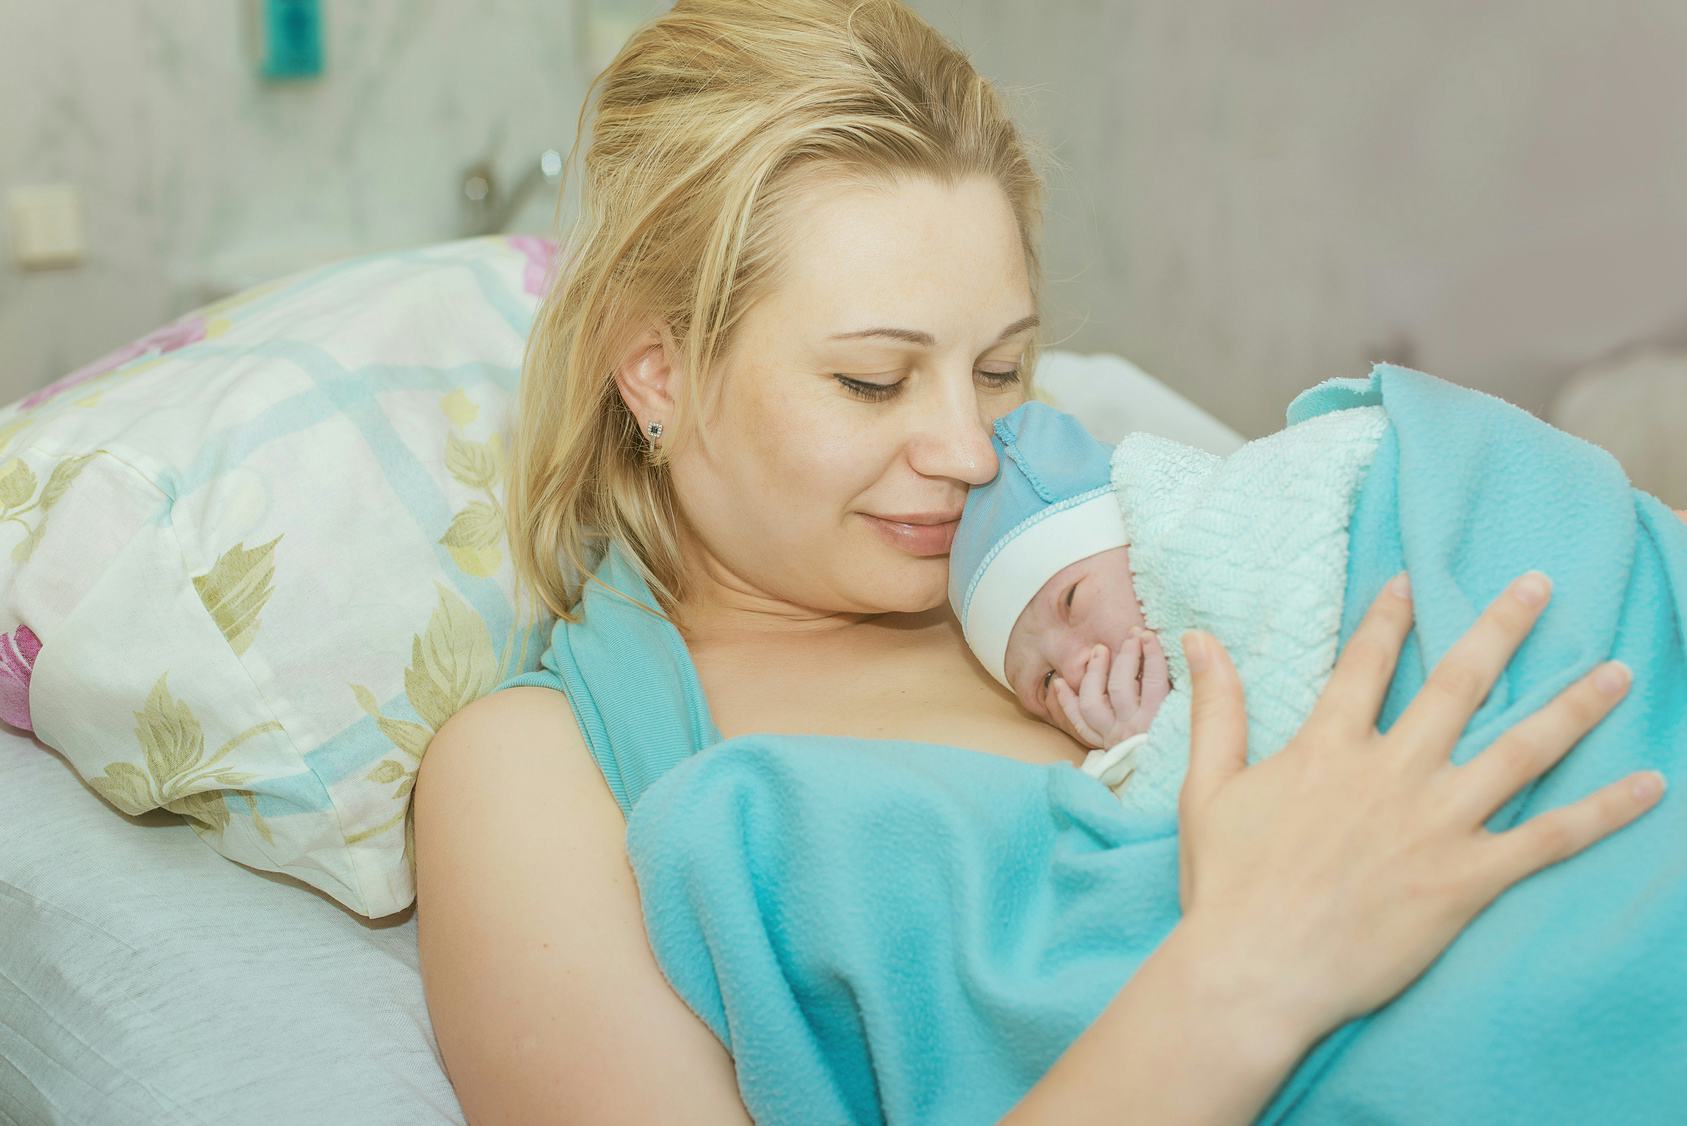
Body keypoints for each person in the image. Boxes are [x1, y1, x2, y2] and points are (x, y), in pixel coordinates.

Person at [409, 2, 1665, 1122]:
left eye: (1002, 369)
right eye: (872, 379)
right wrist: (1251, 967)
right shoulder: (533, 776)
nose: (969, 449)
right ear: (656, 370)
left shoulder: (1114, 540)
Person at [951, 398, 1687, 813]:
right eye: (1044, 682)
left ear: (1140, 531)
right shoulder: (1128, 736)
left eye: (1074, 600)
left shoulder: (1235, 528)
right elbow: (1226, 823)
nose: (1079, 661)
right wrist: (1144, 748)